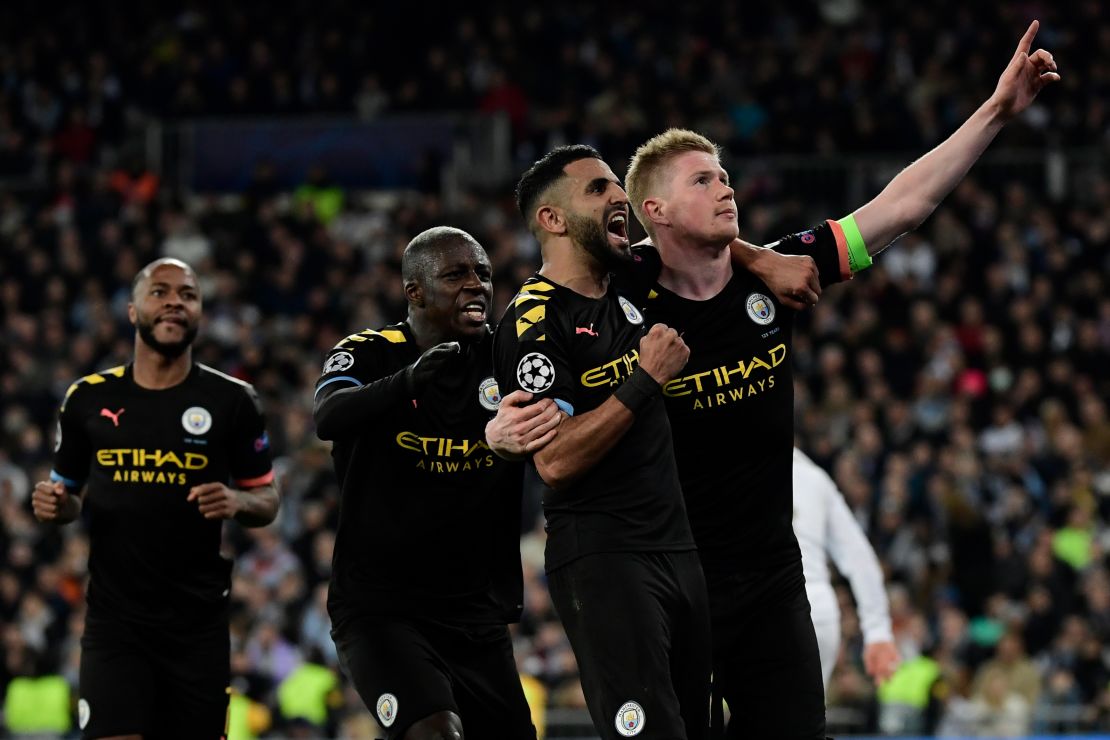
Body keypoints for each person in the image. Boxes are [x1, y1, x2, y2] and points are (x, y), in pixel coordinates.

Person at [491, 20, 1058, 738]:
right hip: (670, 576)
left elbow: (903, 207)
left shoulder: (783, 271)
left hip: (769, 579)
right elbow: (551, 287)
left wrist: (997, 111)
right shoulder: (620, 285)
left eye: (725, 175)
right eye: (704, 180)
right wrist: (496, 427)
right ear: (652, 213)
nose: (727, 187)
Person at [493, 145, 712, 740]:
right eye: (597, 189)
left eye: (617, 184)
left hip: (679, 548)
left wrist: (763, 261)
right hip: (605, 557)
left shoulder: (632, 277)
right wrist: (644, 380)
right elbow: (556, 460)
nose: (620, 197)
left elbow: (704, 246)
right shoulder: (533, 321)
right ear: (552, 220)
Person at [312, 227, 548, 740]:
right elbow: (328, 415)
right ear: (414, 291)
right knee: (435, 733)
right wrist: (411, 379)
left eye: (483, 274)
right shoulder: (371, 351)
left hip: (474, 615)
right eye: (456, 274)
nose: (476, 285)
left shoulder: (507, 356)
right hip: (381, 608)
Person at [32, 257, 280, 740]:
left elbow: (267, 499)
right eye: (160, 292)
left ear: (201, 312)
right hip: (115, 622)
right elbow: (68, 493)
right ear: (132, 310)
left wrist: (236, 500)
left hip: (197, 626)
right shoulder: (85, 399)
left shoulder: (233, 400)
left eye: (187, 295)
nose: (174, 303)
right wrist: (58, 507)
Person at [792, 447, 898, 691]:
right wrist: (878, 631)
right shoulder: (814, 477)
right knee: (805, 722)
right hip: (816, 610)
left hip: (756, 603)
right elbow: (858, 556)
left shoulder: (717, 467)